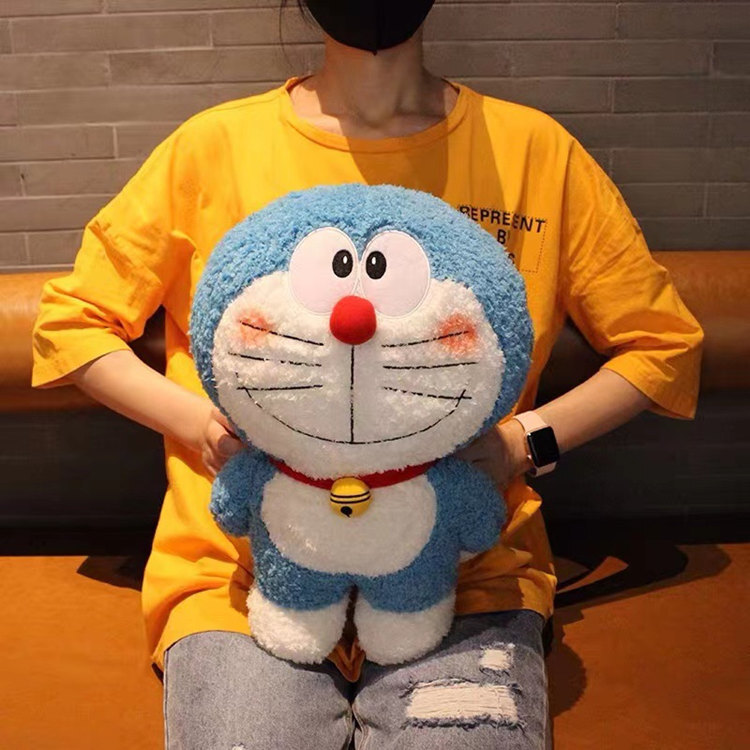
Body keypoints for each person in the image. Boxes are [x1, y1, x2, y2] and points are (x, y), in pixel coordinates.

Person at [30, 1, 704, 748]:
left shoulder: (531, 152)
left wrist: (521, 444)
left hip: (467, 577)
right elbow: (71, 323)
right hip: (243, 579)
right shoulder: (213, 148)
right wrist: (203, 428)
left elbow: (663, 344)